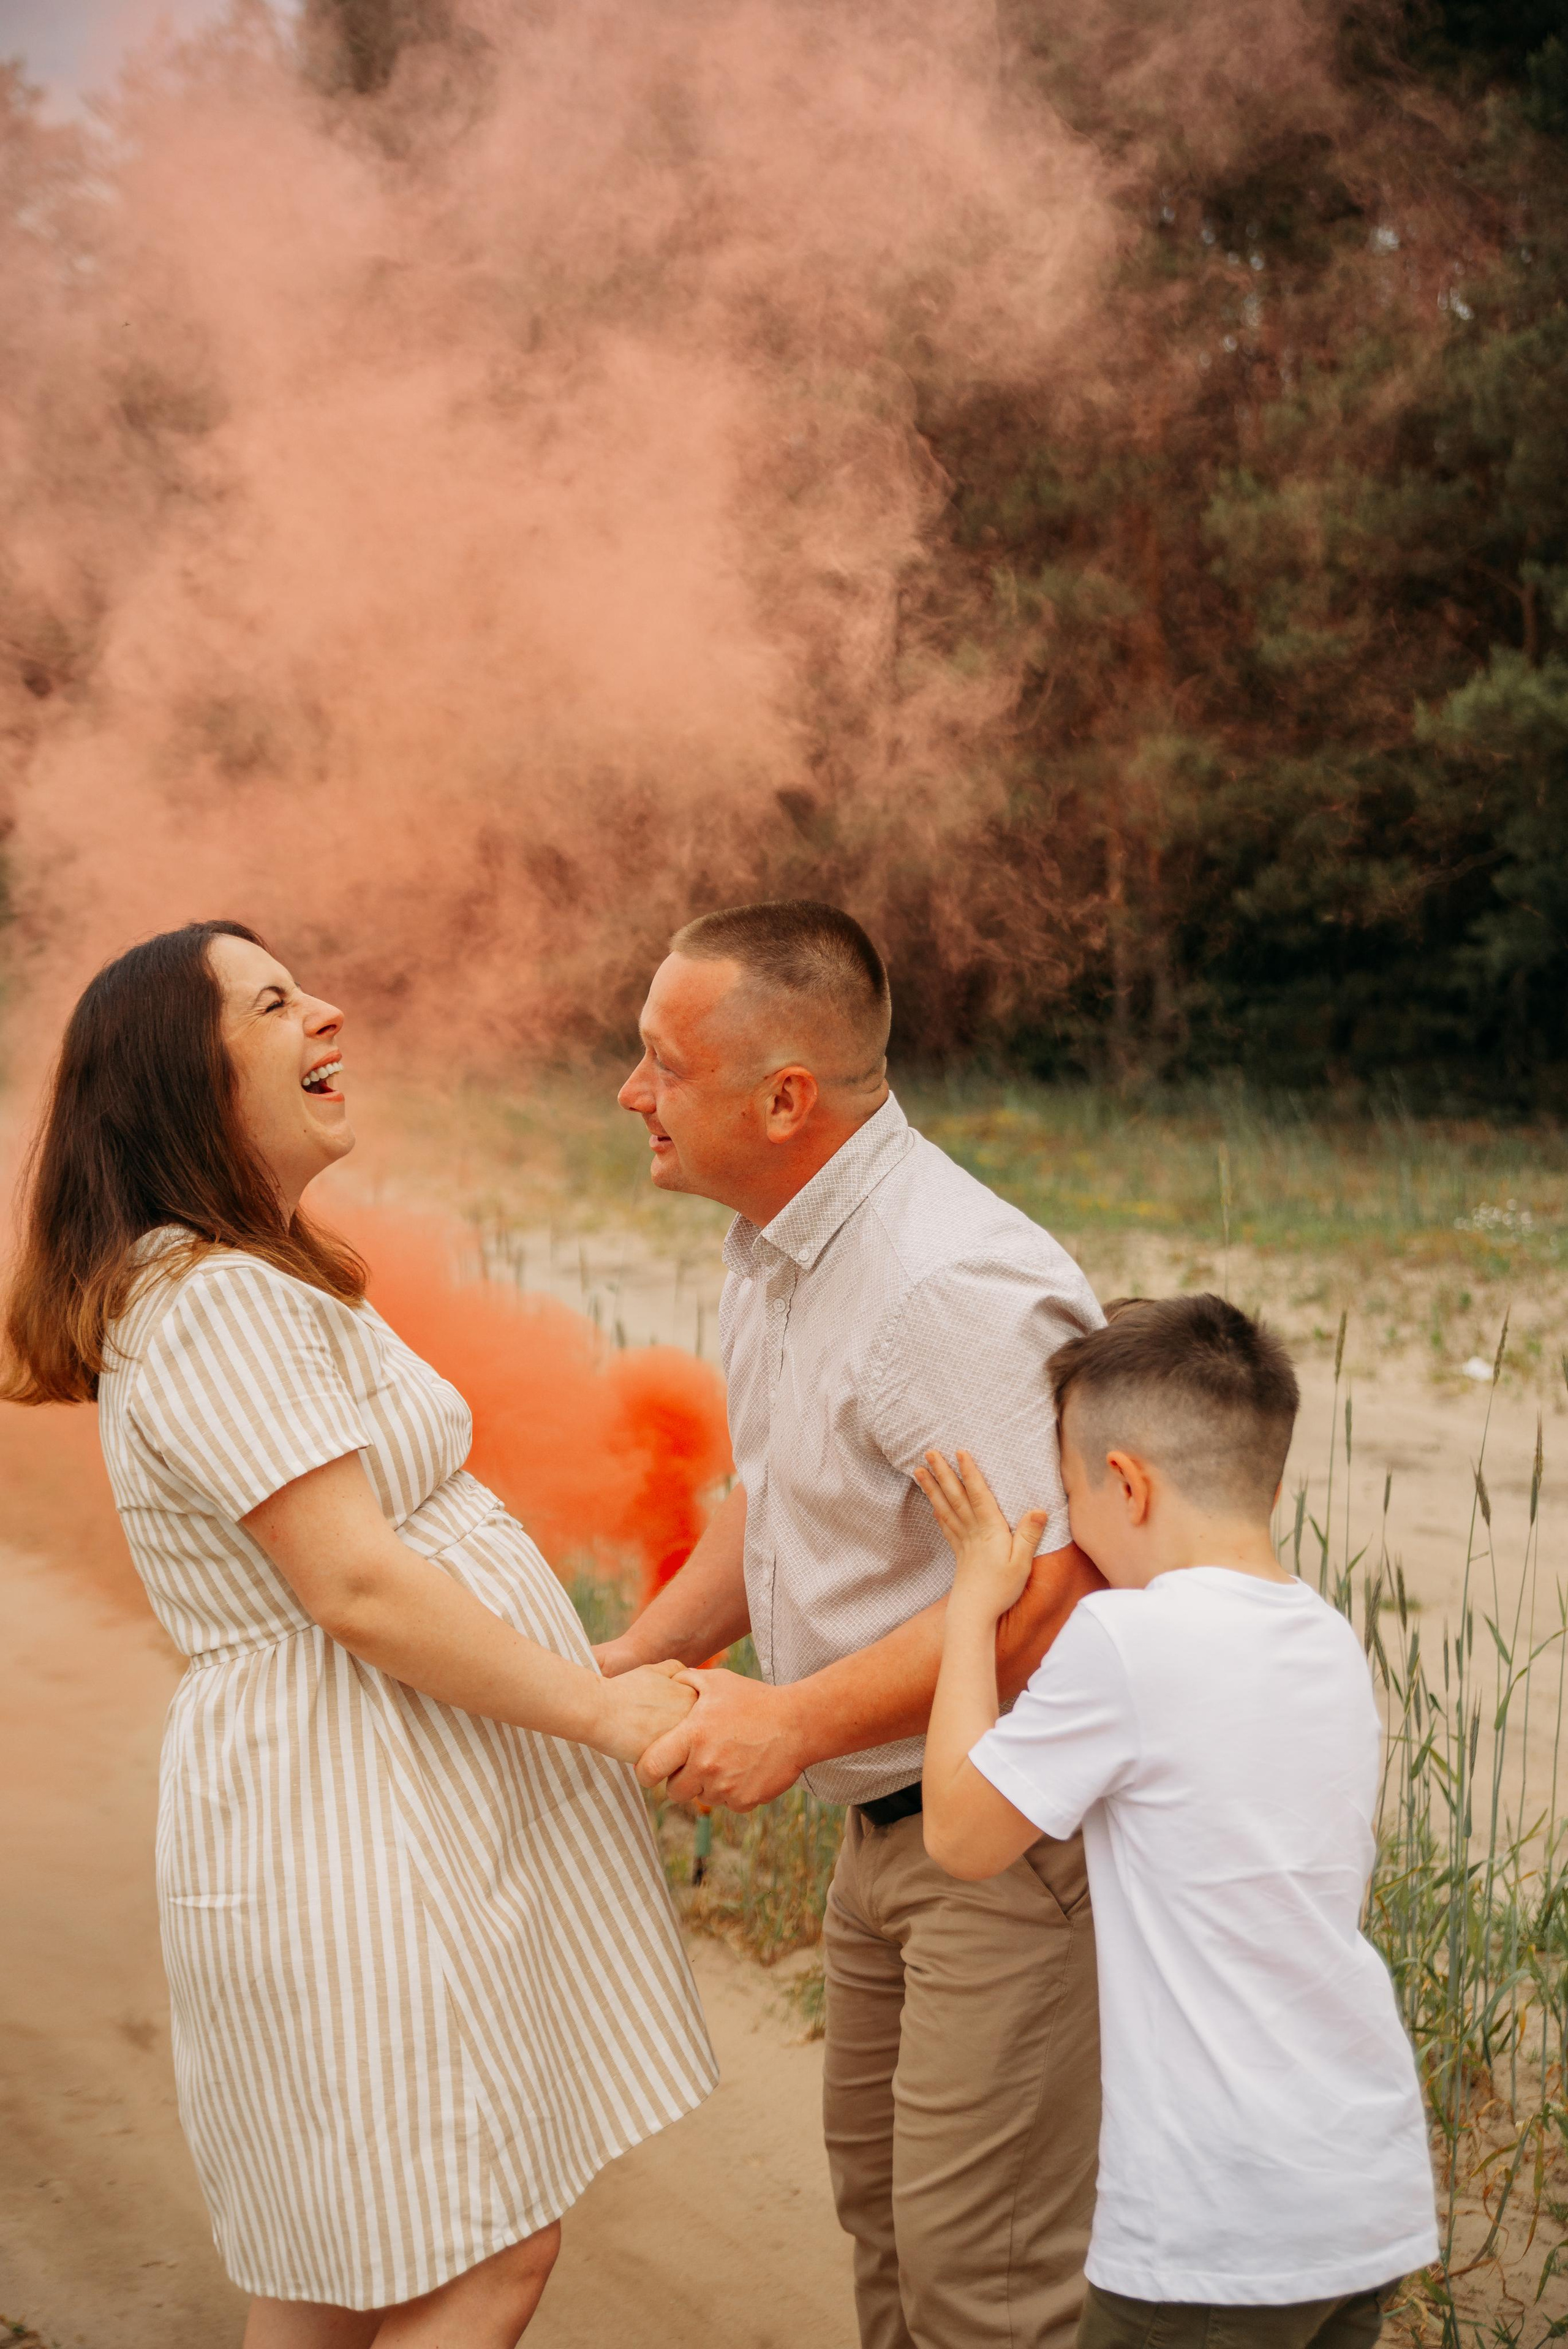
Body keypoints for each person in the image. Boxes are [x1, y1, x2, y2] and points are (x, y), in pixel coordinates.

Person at [1, 920, 717, 2349]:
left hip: (368, 1802)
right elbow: (357, 1589)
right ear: (187, 1087)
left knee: (337, 2272)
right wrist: (601, 1713)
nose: (327, 1011)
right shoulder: (213, 1305)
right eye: (274, 1003)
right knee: (482, 2253)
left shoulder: (236, 1279)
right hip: (350, 1821)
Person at [600, 899, 1106, 2349]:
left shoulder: (940, 1283)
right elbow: (779, 1501)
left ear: (783, 1099)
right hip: (880, 1837)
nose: (629, 1093)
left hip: (1000, 1848)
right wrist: (636, 1657)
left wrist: (792, 1719)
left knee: (983, 2286)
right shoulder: (774, 1241)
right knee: (887, 2229)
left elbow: (1051, 1593)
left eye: (658, 1063)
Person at [918, 1294, 1439, 2349]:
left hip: (1214, 2226)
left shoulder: (1126, 1637)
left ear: (1126, 1485)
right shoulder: (1331, 1639)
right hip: (1361, 2191)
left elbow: (959, 1836)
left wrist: (975, 1602)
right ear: (1271, 1480)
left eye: (1071, 1498)